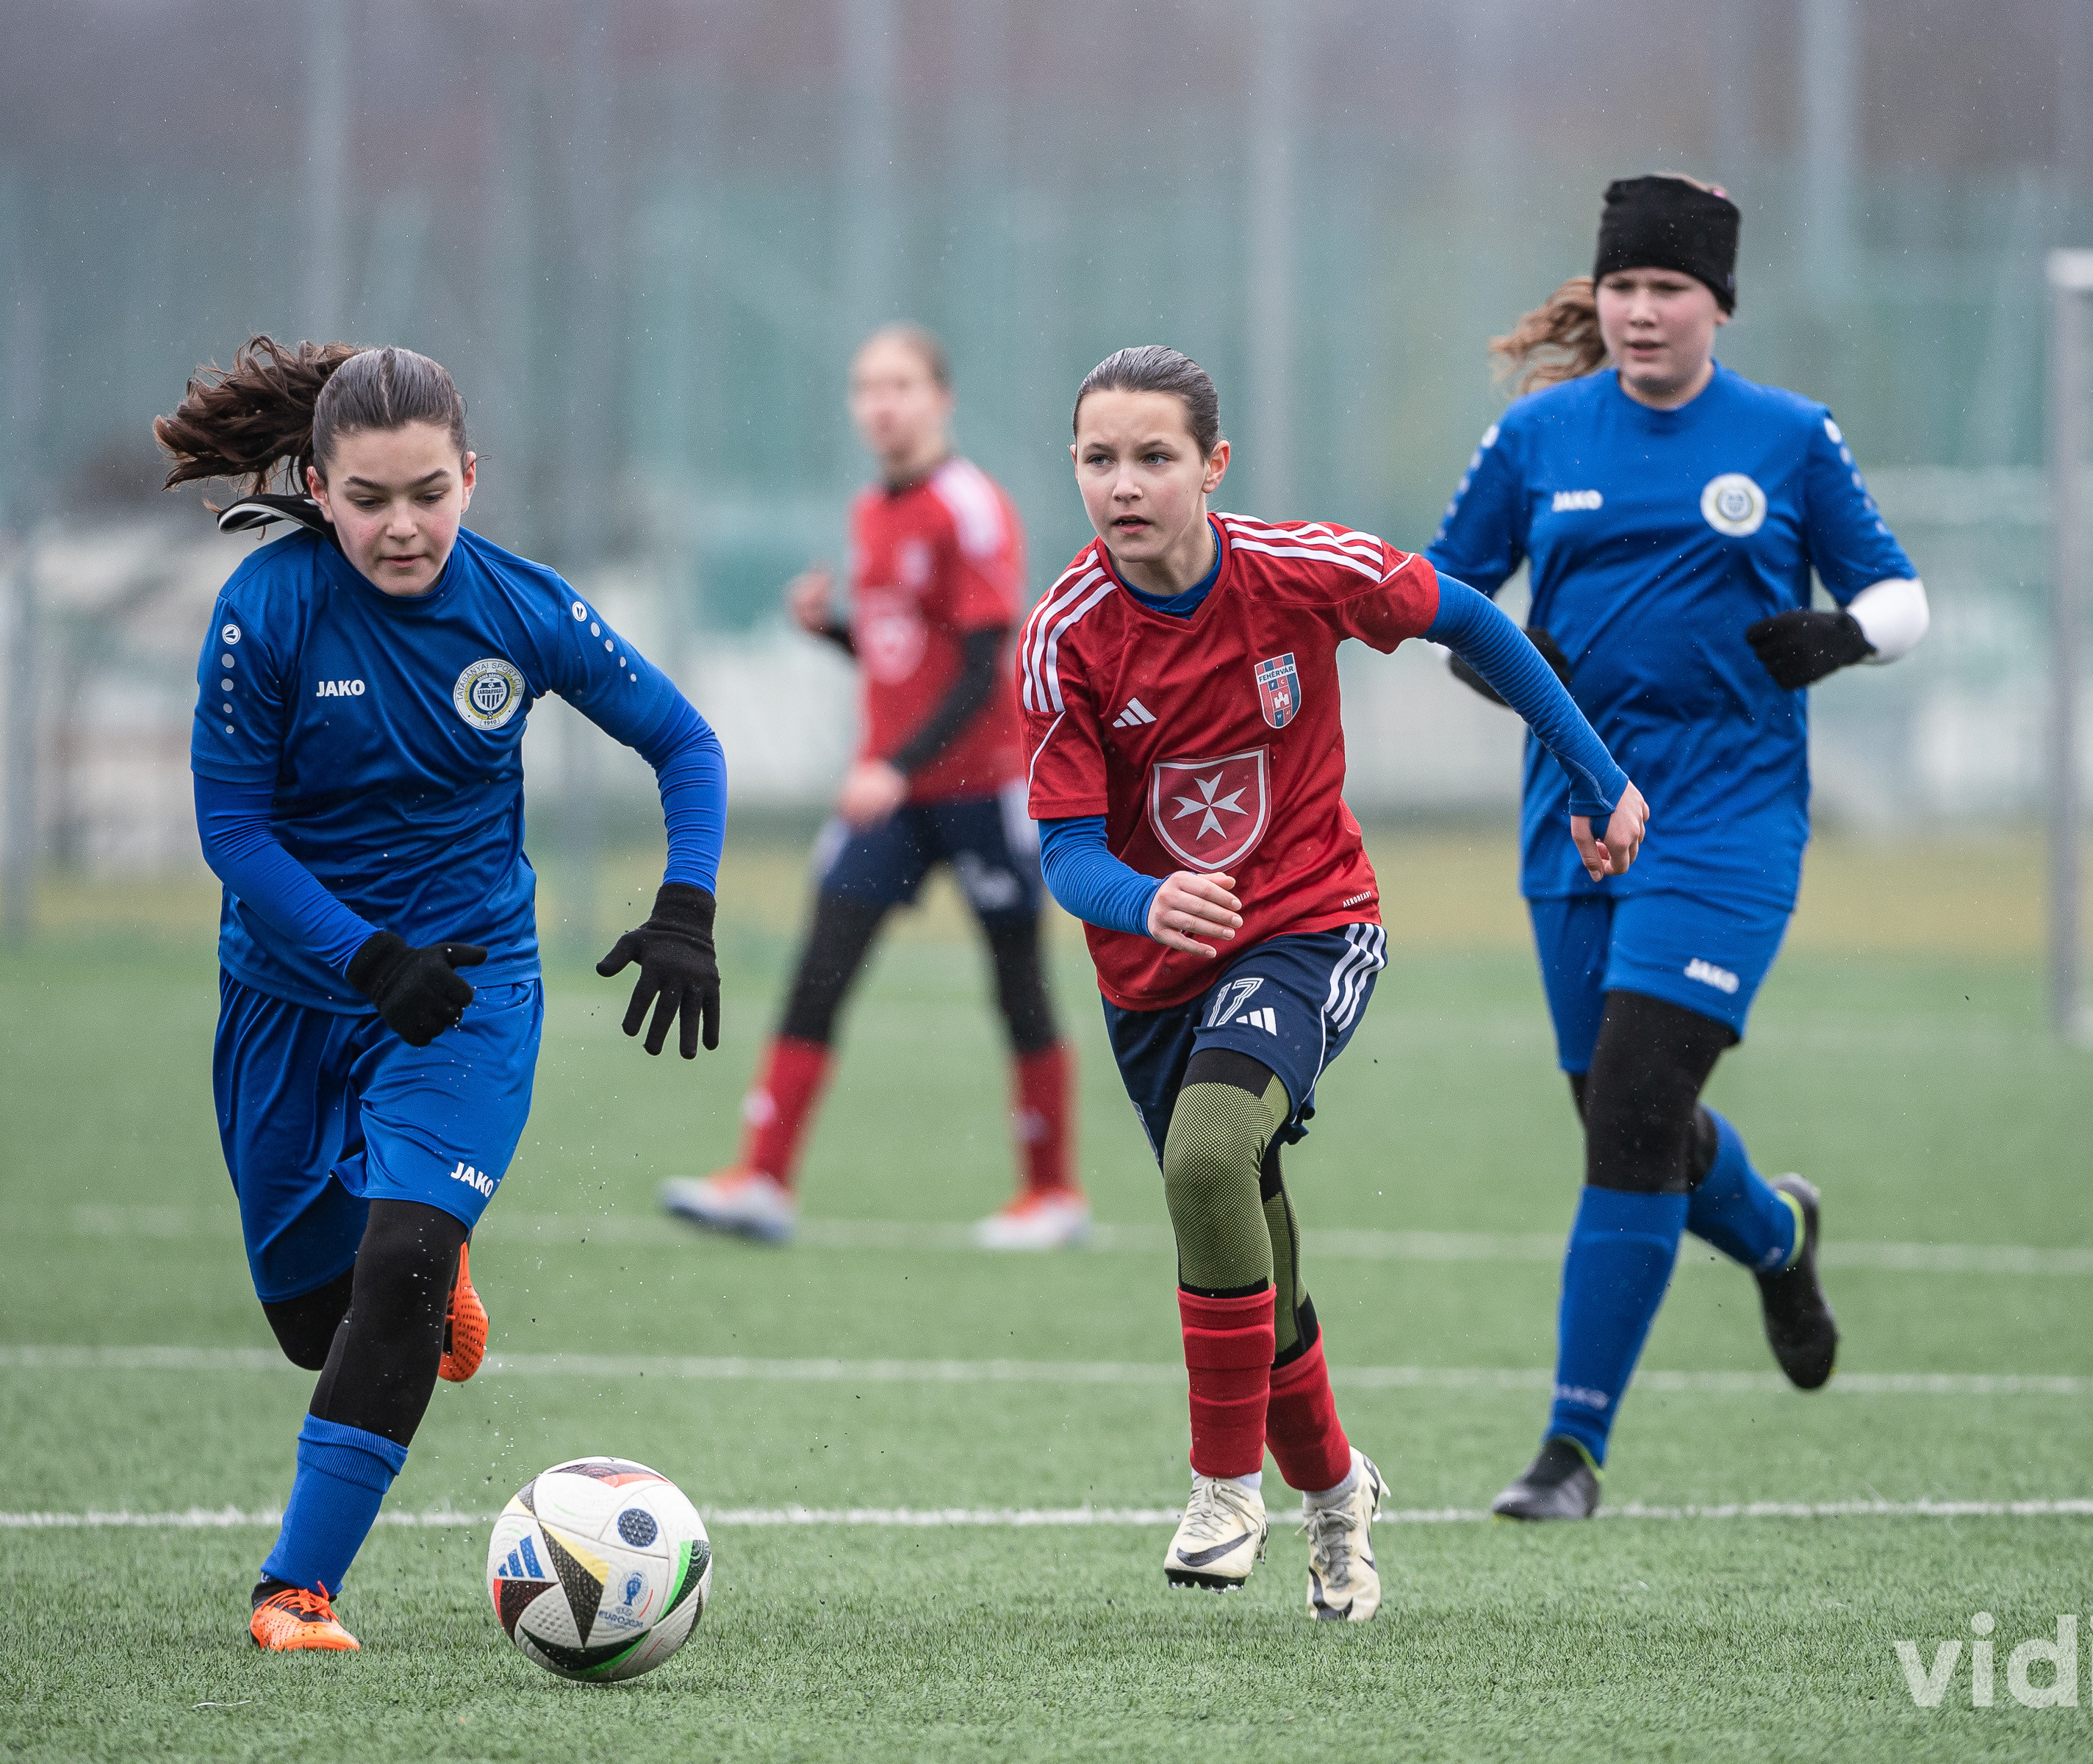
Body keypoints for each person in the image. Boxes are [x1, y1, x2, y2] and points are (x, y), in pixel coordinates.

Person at [1027, 345, 1645, 1618]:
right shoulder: (1064, 637)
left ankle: (1222, 1489)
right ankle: (1335, 1493)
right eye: (1099, 459)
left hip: (1309, 924)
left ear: (1215, 465)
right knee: (1250, 1242)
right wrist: (1146, 900)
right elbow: (1069, 852)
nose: (1124, 484)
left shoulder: (1300, 570)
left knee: (1208, 1157)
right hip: (1155, 975)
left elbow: (1474, 621)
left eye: (1154, 457)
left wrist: (1598, 775)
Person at [157, 337, 728, 1652]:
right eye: (368, 499)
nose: (403, 526)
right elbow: (233, 831)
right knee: (317, 1325)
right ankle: (426, 1264)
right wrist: (363, 958)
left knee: (402, 1269)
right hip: (290, 999)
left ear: (472, 476)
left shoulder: (523, 609)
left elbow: (684, 742)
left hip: (469, 993)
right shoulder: (266, 608)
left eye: (429, 493)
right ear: (318, 487)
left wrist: (686, 907)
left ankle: (298, 1591)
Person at [1427, 175, 1930, 1521]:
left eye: (1669, 289)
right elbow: (1444, 596)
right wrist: (1511, 670)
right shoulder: (1536, 436)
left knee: (1638, 1111)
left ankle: (1571, 1451)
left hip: (1727, 821)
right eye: (1623, 288)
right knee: (1620, 1113)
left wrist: (1843, 635)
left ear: (1720, 305)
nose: (1642, 311)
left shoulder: (1787, 437)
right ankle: (1777, 1235)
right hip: (1579, 816)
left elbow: (1900, 594)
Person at [661, 324, 1082, 1250]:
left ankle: (1053, 1195)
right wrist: (832, 633)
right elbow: (907, 655)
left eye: (901, 385)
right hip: (896, 792)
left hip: (981, 785)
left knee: (1017, 981)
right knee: (822, 965)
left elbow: (984, 664)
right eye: (866, 387)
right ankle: (762, 1181)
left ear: (942, 399)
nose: (881, 404)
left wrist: (893, 765)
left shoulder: (970, 506)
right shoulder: (869, 510)